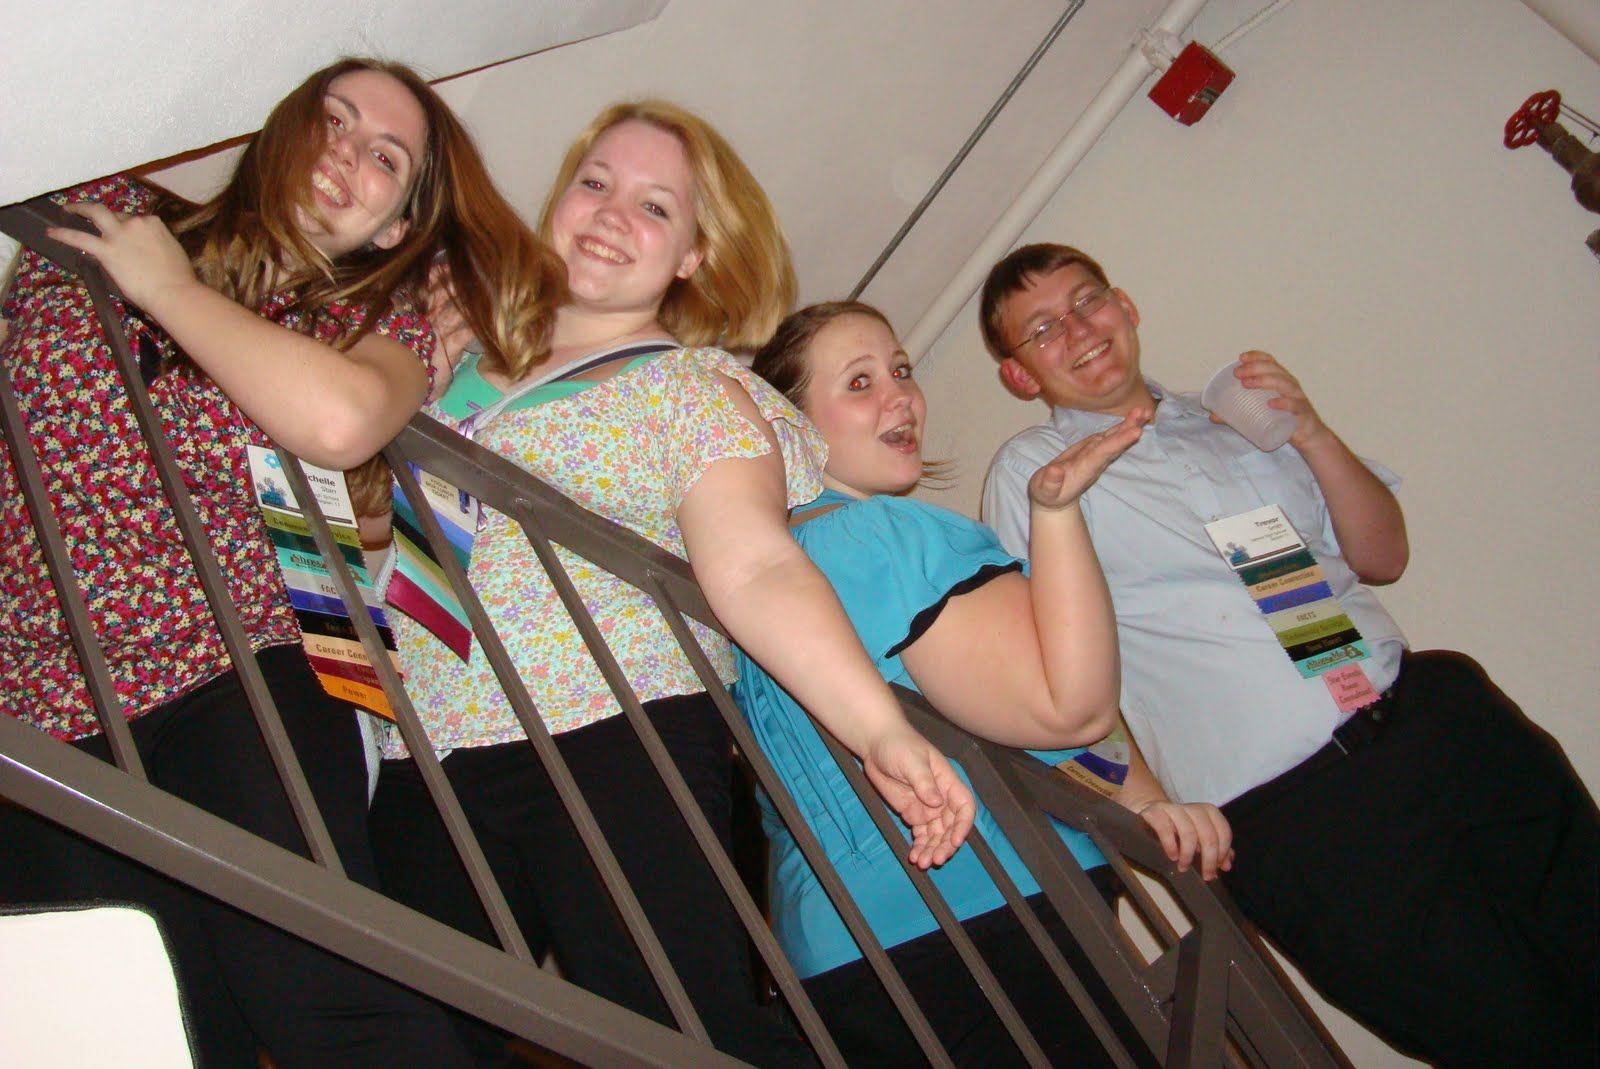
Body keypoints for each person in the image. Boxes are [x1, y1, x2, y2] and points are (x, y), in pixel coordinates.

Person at [367, 102, 973, 1069]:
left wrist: (879, 729)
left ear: (694, 253)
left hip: (611, 733)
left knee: (683, 1039)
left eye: (655, 205)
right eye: (594, 183)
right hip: (425, 748)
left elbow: (759, 565)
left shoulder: (692, 387)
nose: (612, 213)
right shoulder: (453, 372)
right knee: (397, 1035)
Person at [0, 57, 563, 1068]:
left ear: (395, 225)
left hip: (233, 667)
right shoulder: (110, 213)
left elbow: (340, 422)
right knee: (138, 1030)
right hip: (34, 698)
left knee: (322, 995)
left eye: (385, 156)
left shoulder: (373, 327)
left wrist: (166, 290)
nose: (347, 152)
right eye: (332, 119)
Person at [979, 242, 1599, 1069]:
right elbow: (1044, 681)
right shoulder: (1036, 476)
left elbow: (1383, 556)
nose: (1079, 328)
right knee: (1515, 1039)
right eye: (1043, 328)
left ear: (1125, 305)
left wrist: (1309, 428)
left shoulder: (1234, 420)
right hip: (1304, 820)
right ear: (1019, 375)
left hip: (1437, 719)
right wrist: (1149, 801)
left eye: (1087, 300)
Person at [737, 300, 1231, 1067]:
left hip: (839, 955)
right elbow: (1070, 708)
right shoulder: (882, 537)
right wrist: (1055, 512)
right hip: (991, 916)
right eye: (860, 382)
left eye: (901, 370)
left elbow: (1009, 717)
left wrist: (1143, 802)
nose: (901, 397)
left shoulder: (751, 590)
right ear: (790, 426)